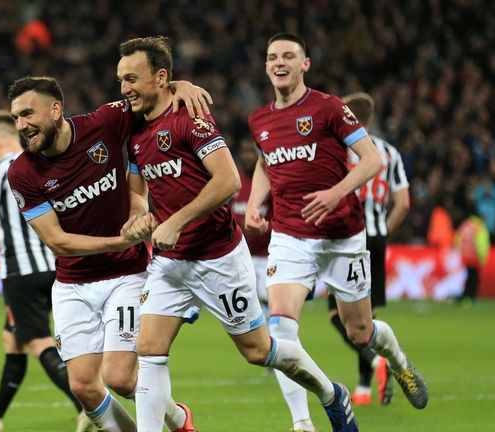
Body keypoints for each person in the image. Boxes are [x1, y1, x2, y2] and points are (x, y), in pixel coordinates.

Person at [118, 36, 351, 432]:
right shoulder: (133, 126)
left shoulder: (188, 116)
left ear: (160, 78)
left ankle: (331, 393)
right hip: (171, 263)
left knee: (259, 351)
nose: (124, 89)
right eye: (120, 80)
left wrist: (175, 221)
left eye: (132, 78)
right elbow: (137, 189)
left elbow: (227, 181)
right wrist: (139, 214)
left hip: (218, 258)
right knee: (149, 350)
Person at [6, 75, 209, 432]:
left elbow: (148, 98)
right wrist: (120, 240)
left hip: (125, 276)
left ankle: (177, 420)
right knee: (83, 386)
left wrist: (181, 85)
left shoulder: (104, 122)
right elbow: (58, 241)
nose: (22, 126)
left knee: (120, 379)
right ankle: (178, 419)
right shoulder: (22, 172)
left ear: (56, 109)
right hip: (71, 284)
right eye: (16, 119)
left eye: (27, 114)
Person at [245, 33, 429, 425]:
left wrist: (336, 193)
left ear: (304, 64)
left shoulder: (328, 107)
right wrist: (256, 204)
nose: (280, 62)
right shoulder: (259, 120)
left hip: (341, 235)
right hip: (290, 236)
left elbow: (371, 159)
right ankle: (302, 422)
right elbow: (265, 162)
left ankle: (398, 362)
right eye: (273, 56)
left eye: (289, 56)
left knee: (360, 332)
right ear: (265, 65)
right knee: (279, 328)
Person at [0, 111, 94, 432]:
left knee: (36, 341)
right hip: (53, 265)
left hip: (21, 272)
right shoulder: (39, 161)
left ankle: (88, 405)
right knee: (13, 339)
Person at [322, 91, 411, 407]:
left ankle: (375, 363)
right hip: (376, 236)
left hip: (348, 238)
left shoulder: (340, 149)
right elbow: (403, 203)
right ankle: (363, 388)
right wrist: (384, 231)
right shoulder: (389, 152)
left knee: (337, 313)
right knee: (366, 315)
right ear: (371, 119)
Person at [233, 137, 314, 430]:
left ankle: (274, 348)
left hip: (269, 253)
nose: (244, 156)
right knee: (259, 307)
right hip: (241, 255)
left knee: (274, 310)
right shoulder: (235, 181)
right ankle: (269, 346)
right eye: (241, 151)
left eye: (248, 152)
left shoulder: (267, 180)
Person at [455, 208, 490, 308]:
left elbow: (457, 240)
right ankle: (471, 297)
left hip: (465, 256)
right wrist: (482, 256)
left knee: (468, 277)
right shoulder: (479, 227)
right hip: (474, 256)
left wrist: (459, 252)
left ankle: (465, 296)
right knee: (474, 278)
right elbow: (481, 243)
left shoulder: (465, 225)